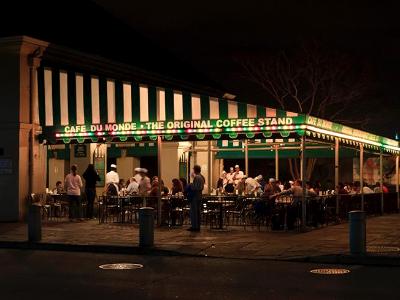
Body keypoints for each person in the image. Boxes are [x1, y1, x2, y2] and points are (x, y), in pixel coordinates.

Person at [188, 165, 204, 232]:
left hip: (195, 196)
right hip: (199, 196)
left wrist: (191, 185)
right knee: (197, 212)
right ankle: (197, 226)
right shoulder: (202, 177)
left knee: (194, 212)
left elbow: (196, 187)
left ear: (195, 170)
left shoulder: (197, 177)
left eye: (193, 169)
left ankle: (195, 227)